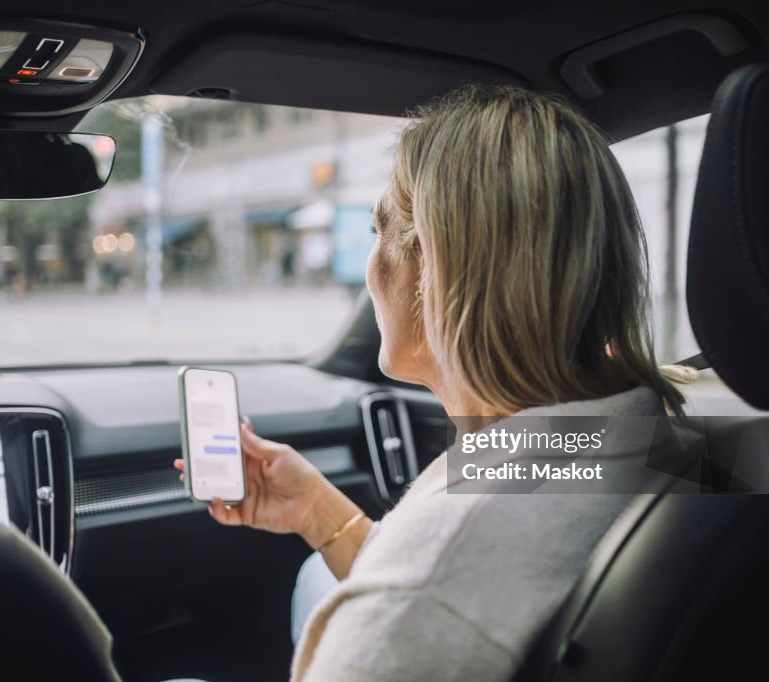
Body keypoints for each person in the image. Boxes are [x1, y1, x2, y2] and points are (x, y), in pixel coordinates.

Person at [174, 83, 689, 681]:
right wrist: (318, 512)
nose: (372, 265)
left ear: (435, 267)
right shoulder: (675, 441)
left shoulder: (415, 599)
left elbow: (436, 593)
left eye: (379, 230)